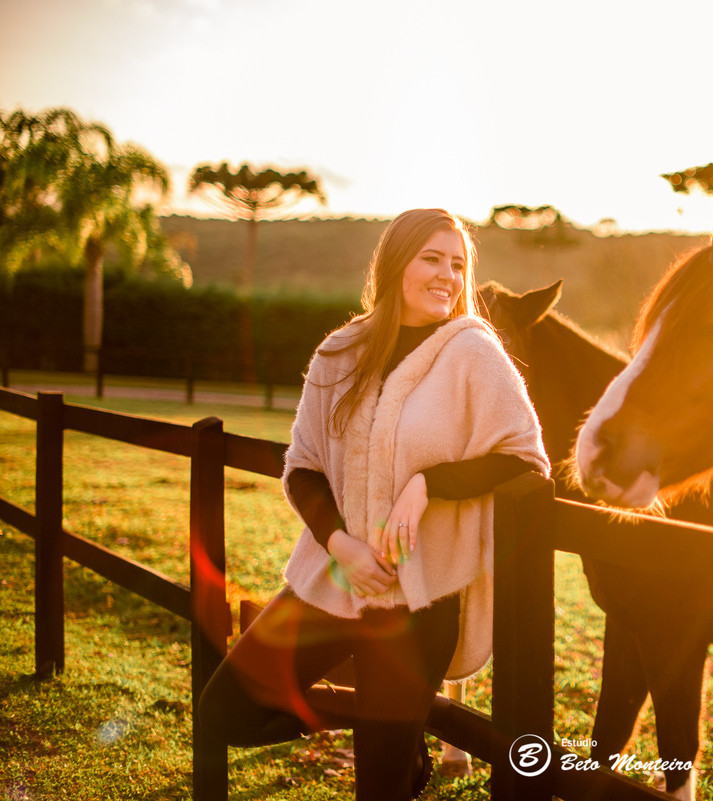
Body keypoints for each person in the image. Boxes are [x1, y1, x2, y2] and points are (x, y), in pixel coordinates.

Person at [198, 208, 550, 800]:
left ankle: (394, 739)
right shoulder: (339, 352)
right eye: (432, 259)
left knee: (380, 791)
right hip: (330, 584)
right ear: (395, 264)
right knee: (225, 713)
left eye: (459, 264)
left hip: (416, 608)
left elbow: (525, 458)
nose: (448, 276)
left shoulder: (473, 353)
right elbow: (303, 467)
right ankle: (376, 722)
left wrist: (428, 484)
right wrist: (339, 545)